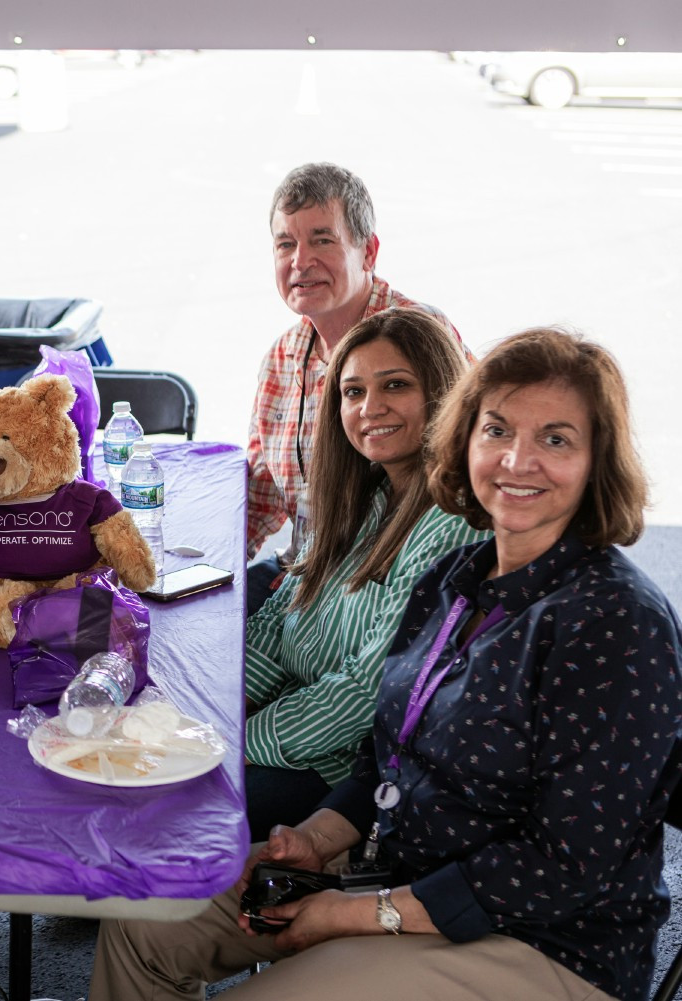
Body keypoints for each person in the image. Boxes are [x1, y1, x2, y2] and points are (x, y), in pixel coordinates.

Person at [90, 328, 682, 1001]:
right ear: (465, 439)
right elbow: (391, 752)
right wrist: (315, 838)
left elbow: (563, 868)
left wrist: (356, 914)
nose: (518, 458)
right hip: (397, 864)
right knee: (142, 923)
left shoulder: (614, 620)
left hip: (540, 940)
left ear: (598, 458)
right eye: (497, 429)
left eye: (555, 438)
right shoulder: (457, 577)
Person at [242, 308, 486, 840]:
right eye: (352, 393)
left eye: (395, 385)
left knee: (165, 805)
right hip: (295, 723)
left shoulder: (451, 526)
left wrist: (231, 742)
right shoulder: (371, 494)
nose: (369, 408)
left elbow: (364, 695)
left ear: (443, 394)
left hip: (346, 770)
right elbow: (282, 617)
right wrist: (223, 705)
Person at [245, 163, 465, 615]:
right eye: (286, 244)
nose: (300, 261)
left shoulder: (420, 336)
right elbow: (259, 499)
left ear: (368, 252)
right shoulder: (282, 359)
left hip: (387, 590)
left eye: (322, 240)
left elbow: (466, 476)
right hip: (304, 574)